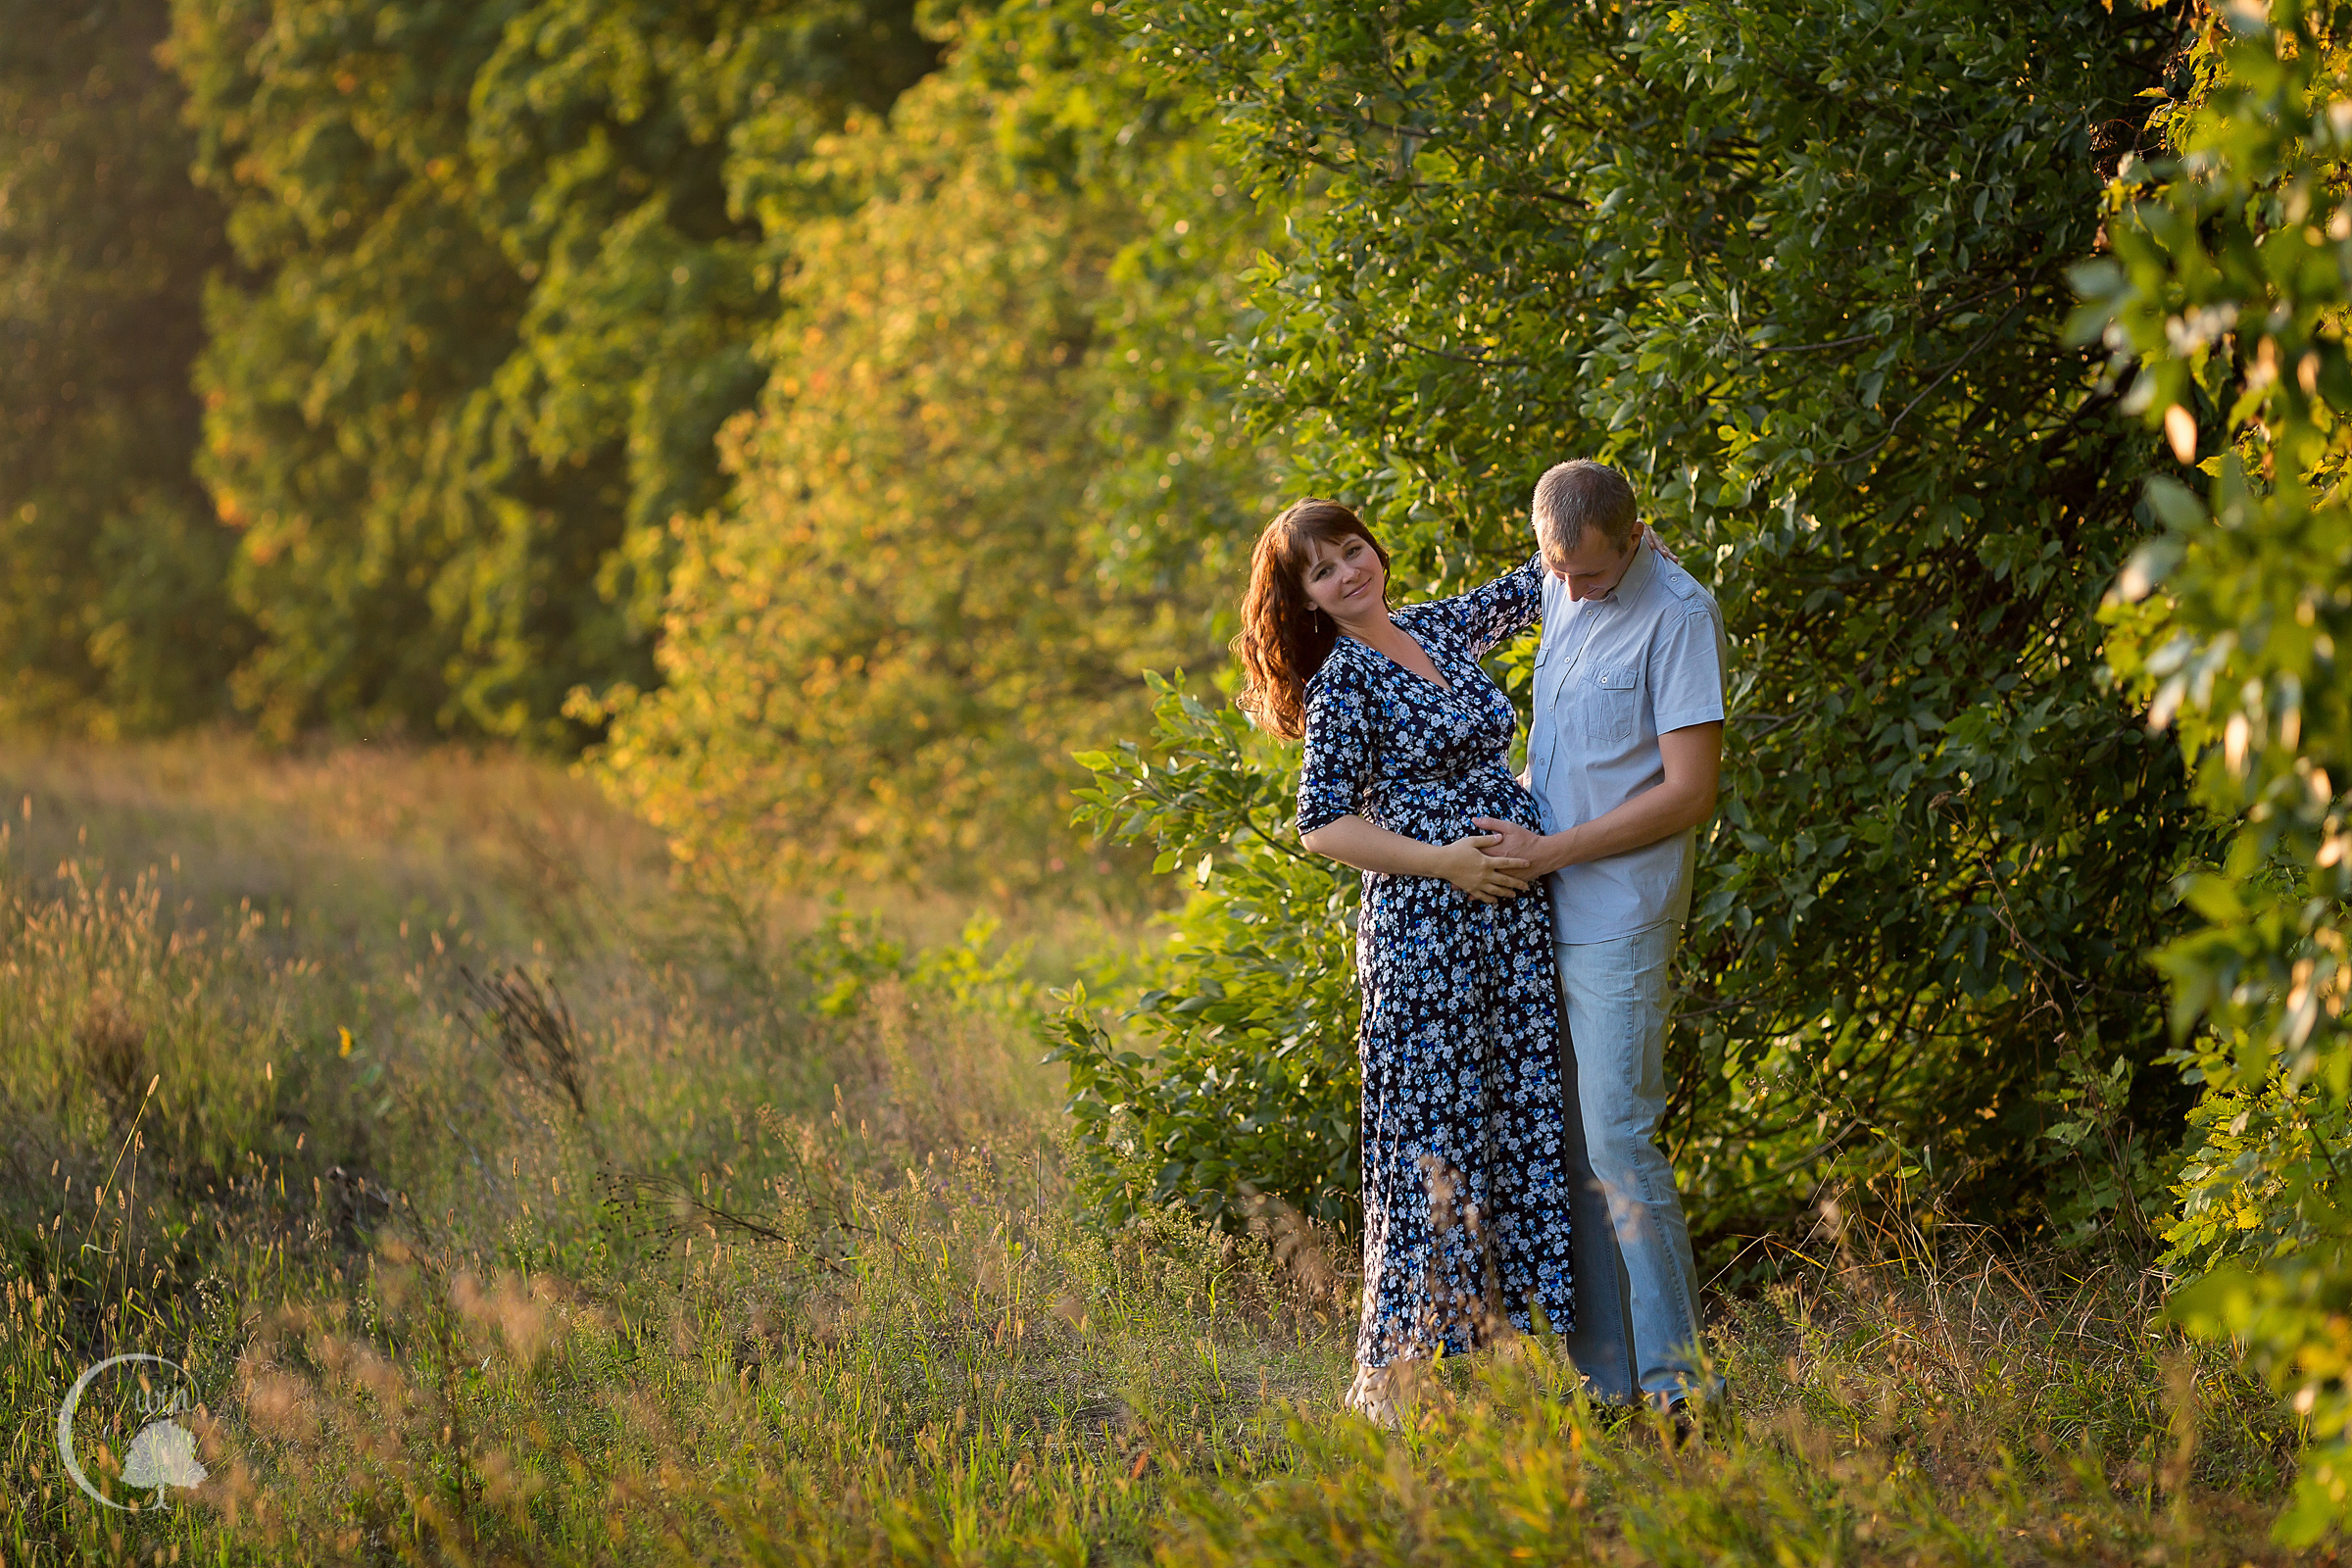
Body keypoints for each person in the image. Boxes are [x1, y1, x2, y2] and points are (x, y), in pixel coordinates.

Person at [1233, 497, 1576, 1423]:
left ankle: (1521, 1364)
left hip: (1506, 929)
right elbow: (1323, 825)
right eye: (1323, 570)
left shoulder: (1432, 628)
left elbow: (1531, 586)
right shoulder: (1344, 683)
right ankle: (1402, 1388)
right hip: (1426, 929)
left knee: (1515, 1121)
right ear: (1305, 597)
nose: (1348, 574)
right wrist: (1447, 862)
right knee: (1435, 1144)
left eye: (1353, 551)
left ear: (1375, 550)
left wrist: (1614, 535)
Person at [1472, 459, 1729, 1415]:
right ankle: (1609, 1379)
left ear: (1637, 536)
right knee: (1575, 1149)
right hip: (1547, 908)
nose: (1571, 591)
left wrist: (1551, 851)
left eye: (1591, 573)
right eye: (1558, 570)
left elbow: (1690, 791)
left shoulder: (1678, 612)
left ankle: (1680, 1388)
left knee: (1623, 1141)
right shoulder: (1563, 569)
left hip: (1618, 912)